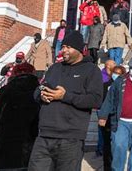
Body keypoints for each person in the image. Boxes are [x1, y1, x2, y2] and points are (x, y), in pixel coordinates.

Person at [28, 31, 103, 171]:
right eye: (62, 47)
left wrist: (65, 96)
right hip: (44, 135)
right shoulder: (54, 68)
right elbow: (38, 89)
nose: (63, 50)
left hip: (71, 139)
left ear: (79, 49)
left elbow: (95, 100)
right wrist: (41, 95)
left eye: (68, 47)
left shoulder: (91, 70)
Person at [0, 63, 39, 170]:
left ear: (14, 74)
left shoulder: (5, 90)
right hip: (30, 147)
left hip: (3, 145)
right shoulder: (38, 92)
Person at [99, 65, 126, 171]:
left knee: (118, 145)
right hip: (106, 119)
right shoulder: (105, 85)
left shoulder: (125, 87)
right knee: (107, 145)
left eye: (119, 73)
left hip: (119, 120)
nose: (116, 75)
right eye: (115, 72)